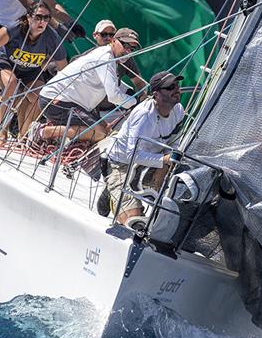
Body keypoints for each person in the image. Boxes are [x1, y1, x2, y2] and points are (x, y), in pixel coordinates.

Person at [105, 71, 185, 225]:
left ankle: (151, 189)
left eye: (177, 85)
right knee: (133, 221)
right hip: (121, 165)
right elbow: (132, 155)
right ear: (156, 94)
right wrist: (164, 160)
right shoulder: (143, 115)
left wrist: (165, 163)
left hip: (149, 163)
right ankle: (111, 191)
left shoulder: (178, 110)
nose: (177, 89)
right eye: (170, 87)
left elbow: (174, 142)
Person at [36, 28, 140, 144]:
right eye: (125, 45)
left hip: (71, 103)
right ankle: (42, 132)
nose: (128, 51)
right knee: (99, 133)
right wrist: (134, 102)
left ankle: (53, 134)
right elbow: (113, 96)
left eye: (132, 49)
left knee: (105, 129)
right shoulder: (105, 58)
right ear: (114, 41)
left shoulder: (109, 57)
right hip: (55, 100)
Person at [0, 2, 67, 138]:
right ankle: (2, 132)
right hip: (4, 62)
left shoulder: (52, 38)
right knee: (11, 83)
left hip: (30, 70)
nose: (42, 22)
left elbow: (64, 71)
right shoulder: (14, 29)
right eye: (38, 17)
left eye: (46, 18)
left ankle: (23, 136)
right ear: (28, 17)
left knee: (39, 95)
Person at [91, 20, 147, 108]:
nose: (108, 38)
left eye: (111, 34)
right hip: (92, 109)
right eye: (104, 34)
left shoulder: (126, 58)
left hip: (114, 108)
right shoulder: (92, 58)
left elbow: (139, 82)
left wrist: (142, 98)